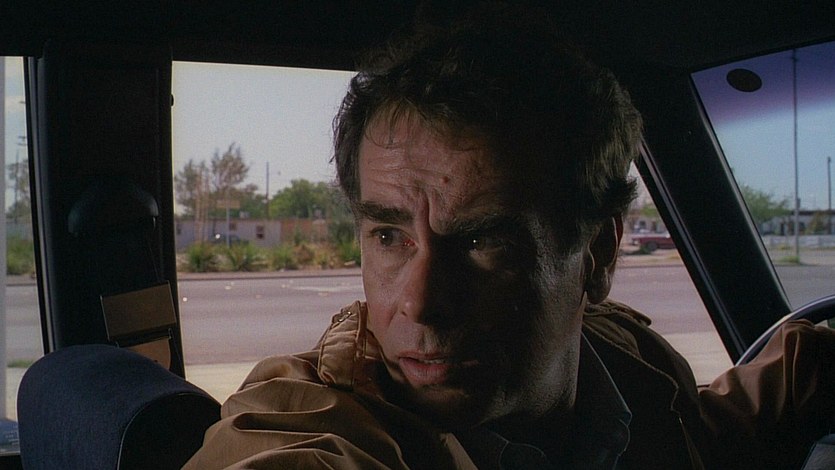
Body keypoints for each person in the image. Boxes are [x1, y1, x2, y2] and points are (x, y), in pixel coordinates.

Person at [184, 6, 834, 469]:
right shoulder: (309, 426)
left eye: (482, 241)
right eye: (388, 235)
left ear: (597, 255)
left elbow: (712, 432)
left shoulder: (627, 359)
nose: (420, 302)